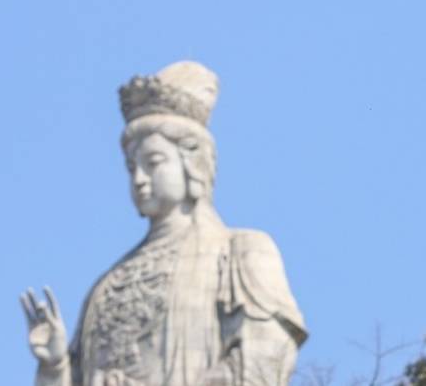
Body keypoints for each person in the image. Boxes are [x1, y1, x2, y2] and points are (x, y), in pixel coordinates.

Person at [21, 62, 307, 386]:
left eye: (153, 163)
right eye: (132, 168)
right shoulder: (106, 286)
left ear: (192, 162)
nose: (140, 179)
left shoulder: (241, 252)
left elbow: (264, 366)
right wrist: (55, 367)